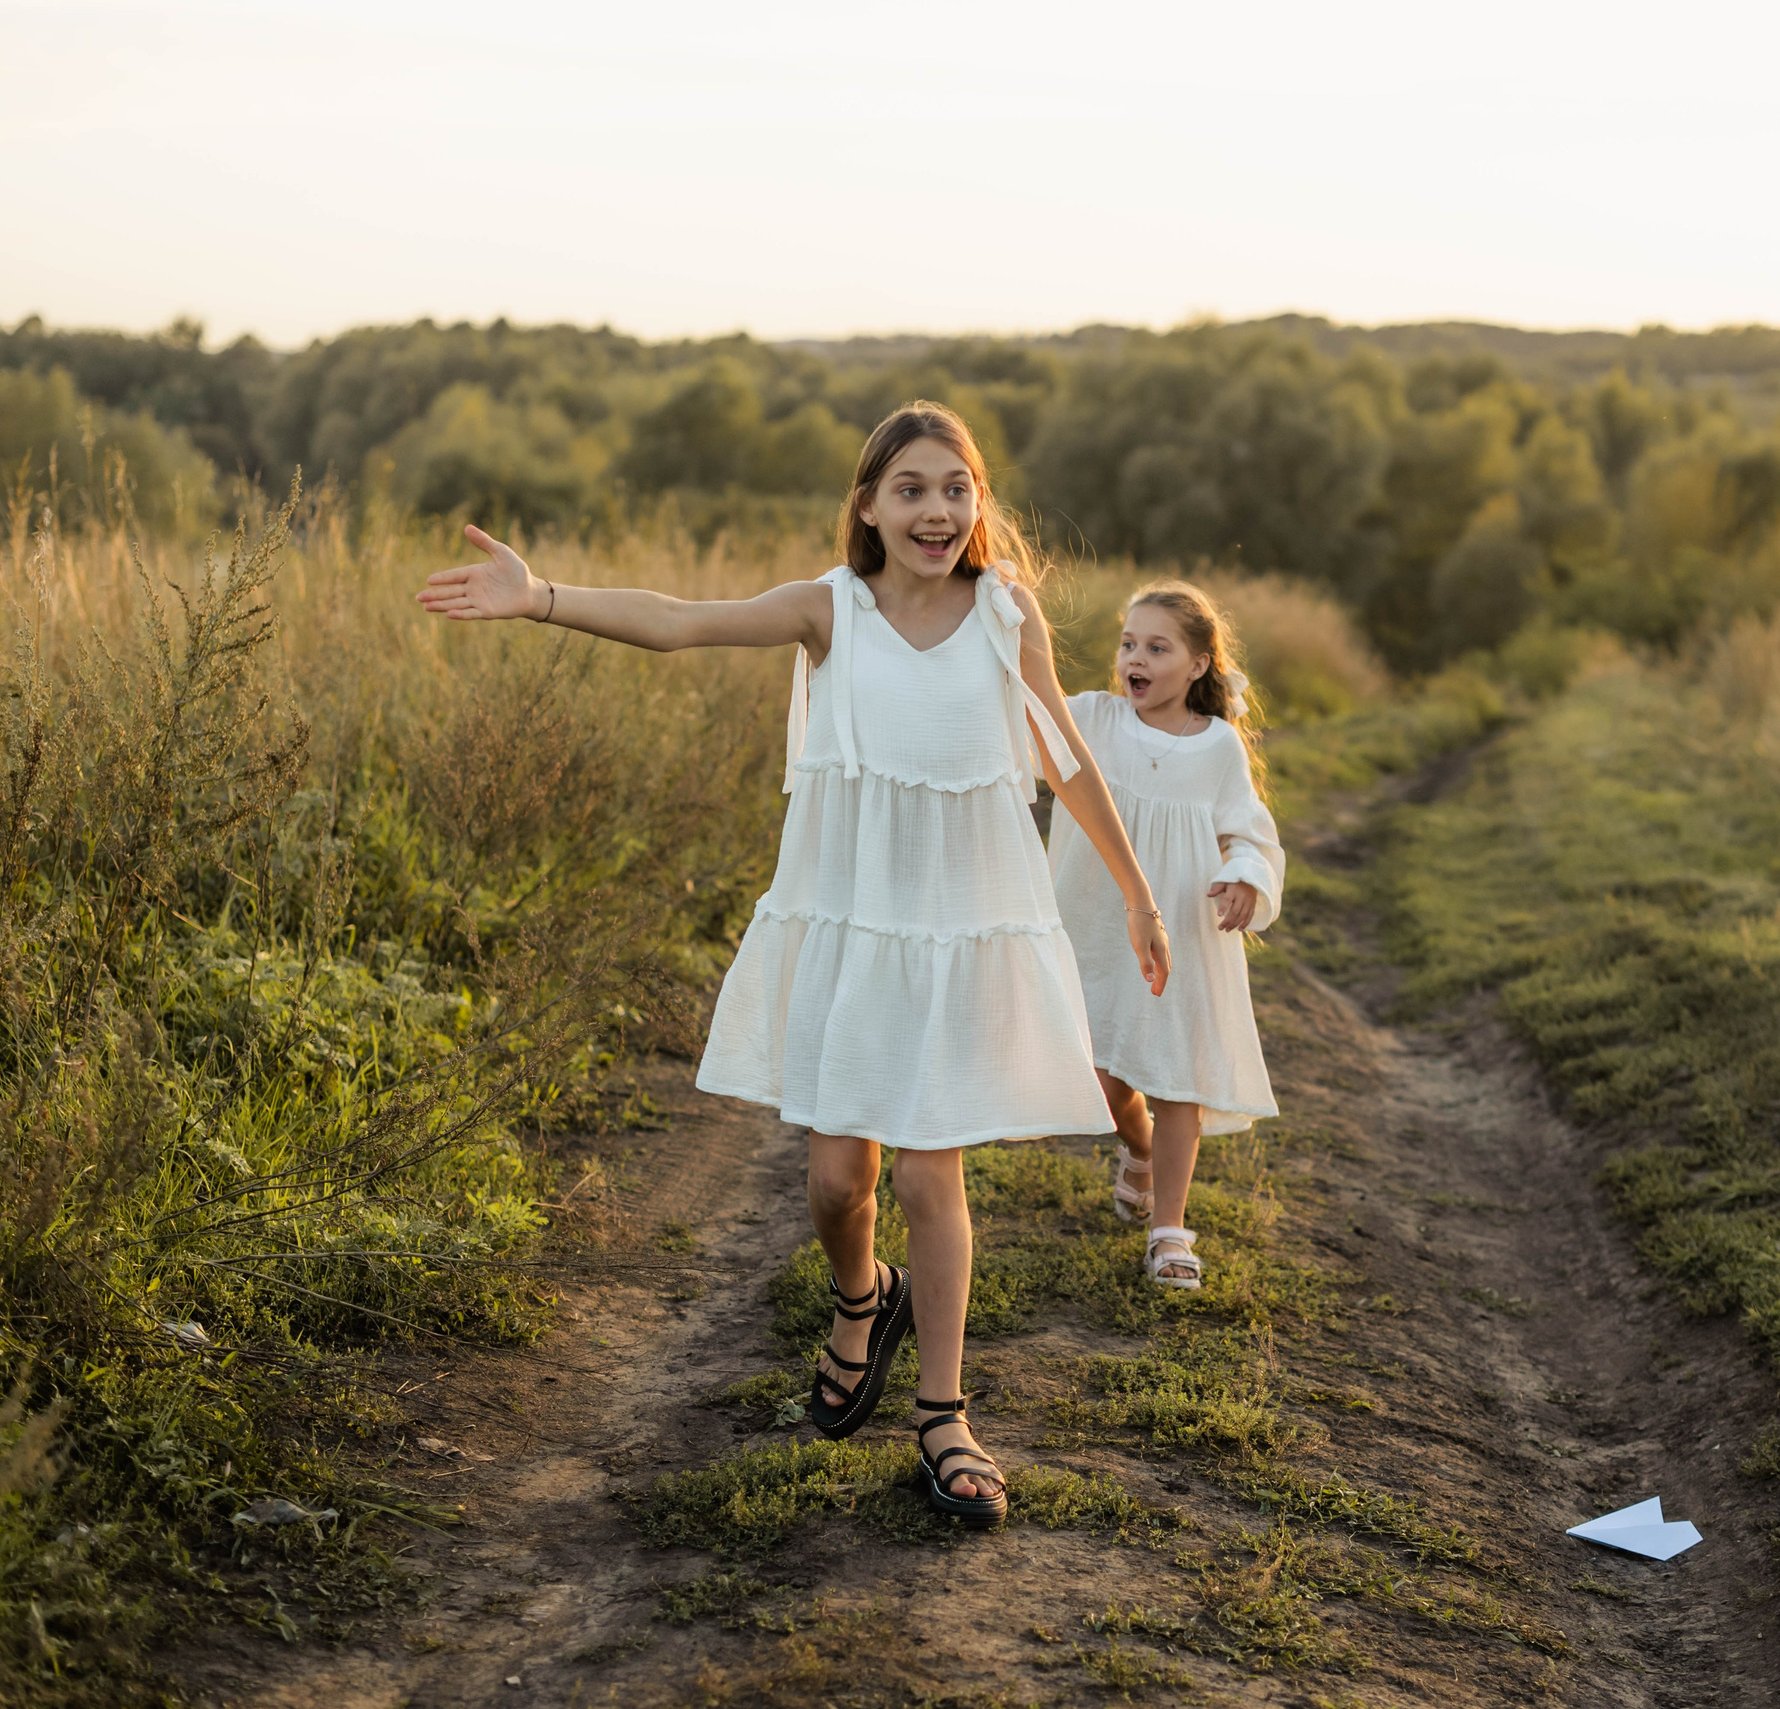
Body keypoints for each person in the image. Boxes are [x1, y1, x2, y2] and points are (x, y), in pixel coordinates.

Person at [416, 402, 1169, 1526]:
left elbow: (1063, 756)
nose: (937, 509)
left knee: (929, 1174)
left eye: (956, 488)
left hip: (958, 931)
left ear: (979, 506)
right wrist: (541, 598)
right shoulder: (833, 611)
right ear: (868, 504)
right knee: (836, 1183)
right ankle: (863, 1297)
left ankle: (945, 1414)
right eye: (911, 488)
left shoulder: (1006, 617)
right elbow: (679, 621)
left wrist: (1138, 892)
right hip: (853, 925)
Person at [1048, 581, 1283, 1290]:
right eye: (1127, 643)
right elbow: (1023, 716)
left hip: (1182, 924)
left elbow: (1249, 831)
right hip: (1094, 919)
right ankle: (1140, 1148)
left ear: (1199, 664)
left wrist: (1244, 875)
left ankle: (1169, 1230)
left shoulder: (1217, 747)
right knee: (1104, 1065)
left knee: (1179, 1073)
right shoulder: (1092, 718)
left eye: (1156, 646)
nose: (1134, 658)